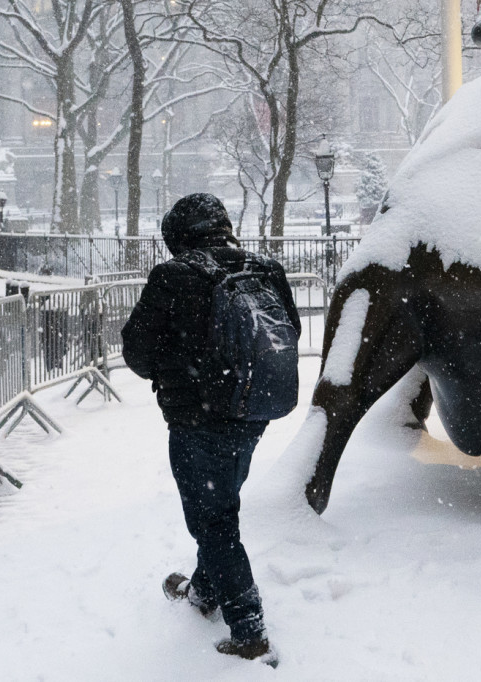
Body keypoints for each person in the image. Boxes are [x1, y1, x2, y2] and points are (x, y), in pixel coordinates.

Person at [122, 193, 300, 665]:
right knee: (220, 505)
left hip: (198, 419)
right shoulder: (264, 268)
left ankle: (250, 631)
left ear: (177, 236)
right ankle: (204, 591)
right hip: (253, 411)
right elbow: (291, 333)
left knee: (212, 518)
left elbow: (137, 355)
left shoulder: (175, 276)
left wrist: (186, 366)